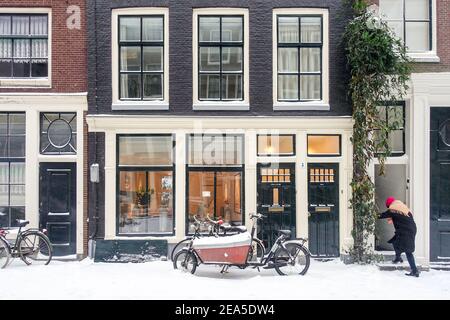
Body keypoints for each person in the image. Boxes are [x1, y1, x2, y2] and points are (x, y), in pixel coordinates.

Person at [379, 197, 420, 277]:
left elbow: (383, 215)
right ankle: (398, 258)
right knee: (395, 241)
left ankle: (414, 270)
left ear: (389, 204)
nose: (388, 208)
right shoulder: (402, 207)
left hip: (406, 231)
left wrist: (373, 214)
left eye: (388, 206)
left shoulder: (393, 209)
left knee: (408, 251)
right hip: (410, 229)